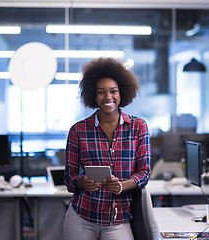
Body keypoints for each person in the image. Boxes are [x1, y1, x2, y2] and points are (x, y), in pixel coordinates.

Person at [63, 57, 151, 240]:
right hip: (82, 216)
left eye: (113, 91)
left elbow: (144, 173)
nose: (108, 97)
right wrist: (81, 182)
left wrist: (121, 186)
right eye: (101, 92)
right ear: (93, 96)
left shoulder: (138, 127)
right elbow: (69, 177)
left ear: (122, 93)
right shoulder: (78, 130)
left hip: (119, 219)